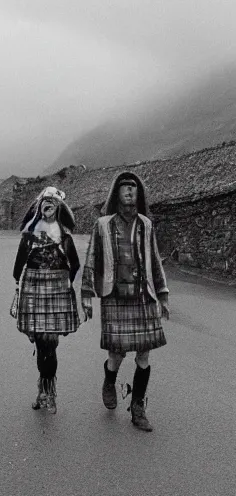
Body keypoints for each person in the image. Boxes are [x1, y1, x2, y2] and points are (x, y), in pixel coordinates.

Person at [81, 171, 170, 432]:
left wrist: (162, 295)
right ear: (116, 193)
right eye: (124, 187)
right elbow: (91, 259)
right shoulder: (103, 224)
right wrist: (86, 294)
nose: (130, 191)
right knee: (116, 353)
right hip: (115, 296)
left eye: (134, 187)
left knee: (144, 353)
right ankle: (110, 380)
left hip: (143, 296)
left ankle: (138, 408)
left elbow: (154, 260)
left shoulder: (147, 224)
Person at [12, 186, 81, 414]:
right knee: (42, 343)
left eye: (52, 203)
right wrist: (18, 283)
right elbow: (19, 262)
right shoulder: (30, 233)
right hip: (33, 286)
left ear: (58, 208)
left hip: (56, 289)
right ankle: (44, 389)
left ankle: (48, 393)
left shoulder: (63, 234)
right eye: (44, 203)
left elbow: (75, 264)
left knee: (50, 344)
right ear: (39, 208)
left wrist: (65, 283)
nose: (47, 206)